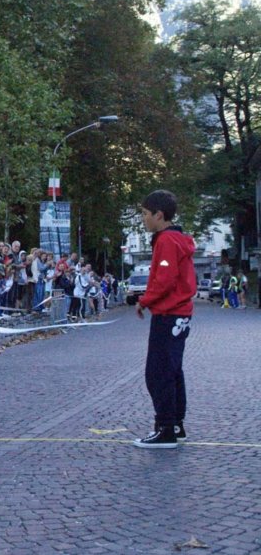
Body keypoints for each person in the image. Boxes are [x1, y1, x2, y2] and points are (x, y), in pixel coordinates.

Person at [134, 190, 196, 449]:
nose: (143, 219)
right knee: (172, 371)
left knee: (158, 373)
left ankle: (166, 428)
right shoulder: (177, 239)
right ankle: (175, 425)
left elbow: (165, 280)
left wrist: (144, 300)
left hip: (169, 314)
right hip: (179, 314)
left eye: (145, 214)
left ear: (158, 215)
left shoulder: (167, 240)